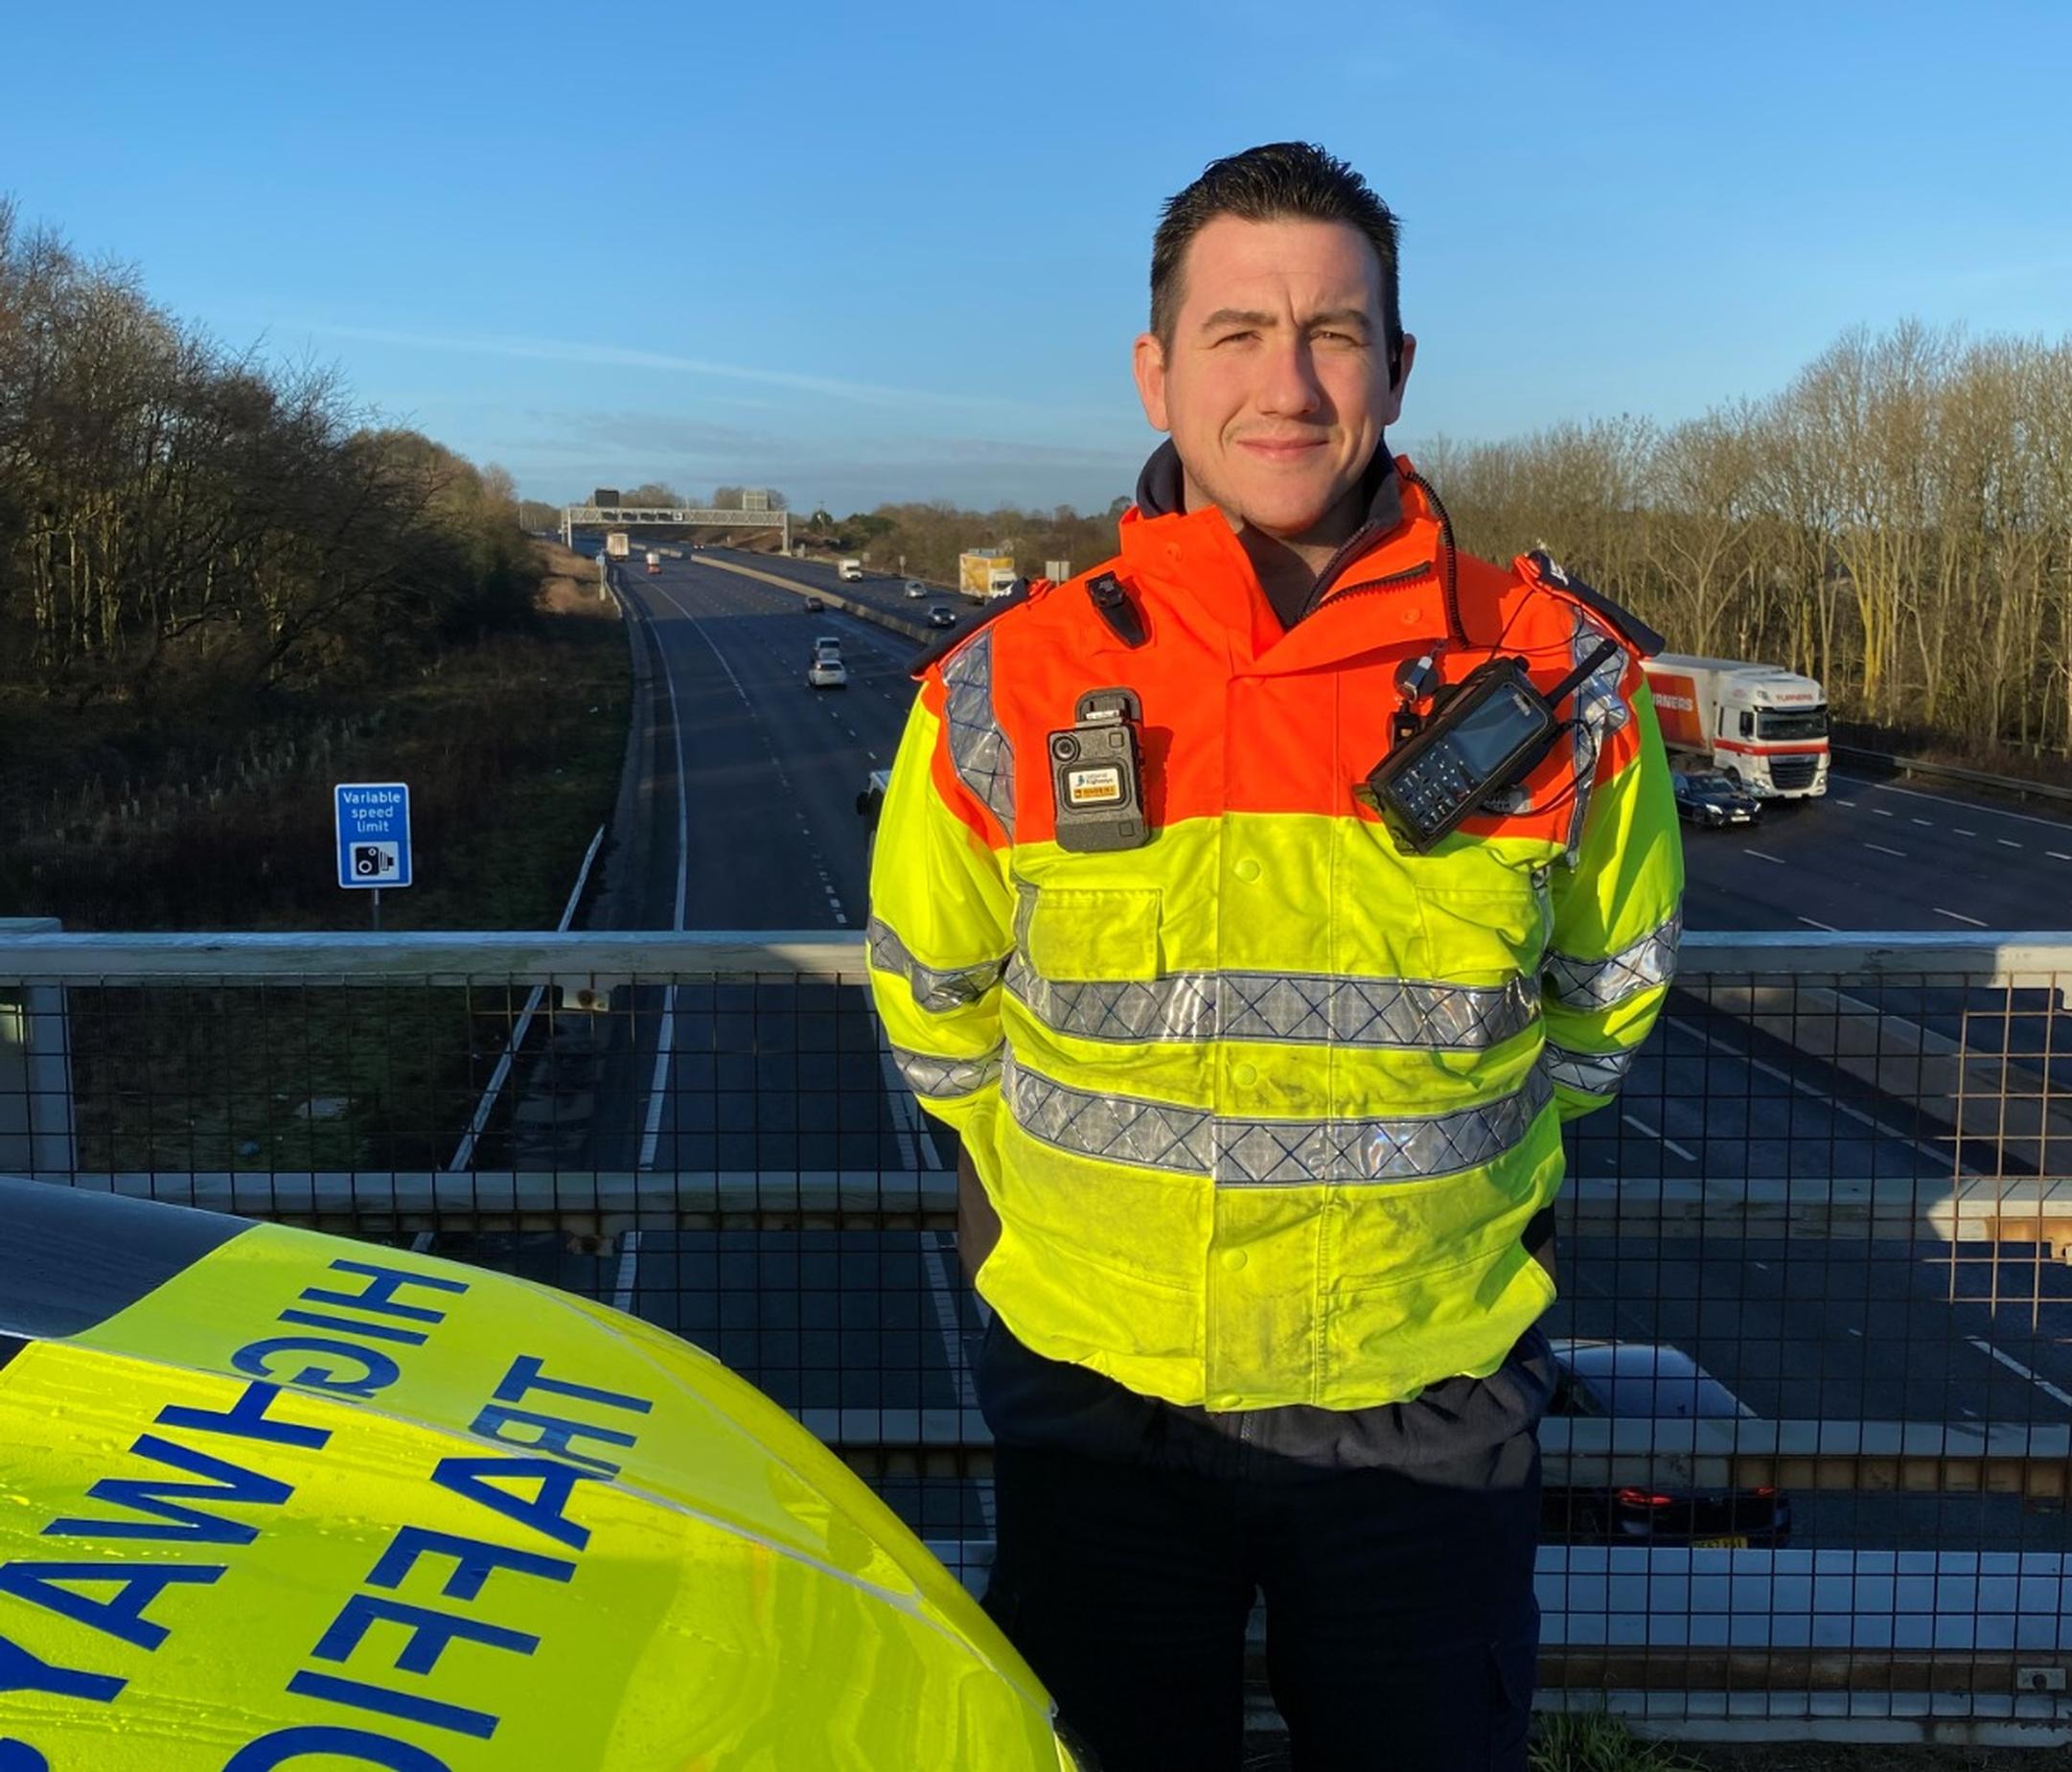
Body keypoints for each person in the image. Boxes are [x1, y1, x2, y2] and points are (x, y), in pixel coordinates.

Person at [866, 142, 1683, 1771]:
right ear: (1157, 368)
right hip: (1100, 1401)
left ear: (1395, 363)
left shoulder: (1562, 678)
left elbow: (1609, 1005)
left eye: (1333, 329)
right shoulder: (1001, 683)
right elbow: (933, 1016)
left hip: (1428, 1408)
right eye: (1238, 331)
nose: (1287, 381)